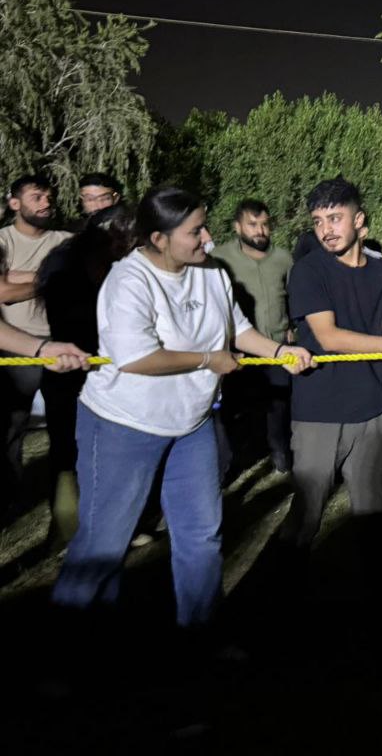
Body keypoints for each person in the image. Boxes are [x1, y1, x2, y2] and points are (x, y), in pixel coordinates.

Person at [51, 187, 312, 629]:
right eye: (195, 231)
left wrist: (279, 353)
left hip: (191, 425)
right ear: (158, 239)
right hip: (123, 425)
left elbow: (237, 328)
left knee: (201, 536)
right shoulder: (129, 280)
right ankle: (73, 638)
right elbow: (135, 358)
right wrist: (209, 359)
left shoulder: (210, 272)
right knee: (104, 544)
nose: (207, 238)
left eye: (204, 227)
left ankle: (200, 631)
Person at [277, 178, 382, 567]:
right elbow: (327, 337)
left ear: (359, 220)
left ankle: (373, 592)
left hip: (372, 410)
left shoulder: (379, 270)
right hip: (320, 413)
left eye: (334, 218)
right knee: (306, 518)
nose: (325, 229)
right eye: (318, 221)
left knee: (373, 515)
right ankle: (275, 590)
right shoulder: (308, 271)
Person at [35, 204, 134, 545]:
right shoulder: (65, 266)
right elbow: (74, 322)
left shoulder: (116, 266)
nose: (127, 246)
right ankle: (68, 526)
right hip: (70, 369)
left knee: (112, 450)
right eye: (123, 238)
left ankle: (116, 523)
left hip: (107, 371)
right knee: (67, 452)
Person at [1, 174, 72, 520]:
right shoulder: (2, 240)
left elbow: (79, 279)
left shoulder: (66, 241)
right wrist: (49, 277)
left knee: (67, 430)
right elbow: (2, 292)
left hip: (64, 348)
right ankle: (9, 501)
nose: (46, 203)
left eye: (48, 197)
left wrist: (17, 276)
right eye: (37, 197)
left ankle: (66, 502)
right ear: (15, 203)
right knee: (10, 431)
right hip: (13, 352)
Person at [210, 198, 295, 476]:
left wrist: (291, 326)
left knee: (279, 407)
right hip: (240, 351)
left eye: (265, 224)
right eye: (252, 224)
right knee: (239, 408)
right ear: (237, 227)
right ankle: (235, 460)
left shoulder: (283, 259)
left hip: (278, 347)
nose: (260, 231)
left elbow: (291, 296)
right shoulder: (219, 259)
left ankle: (280, 454)